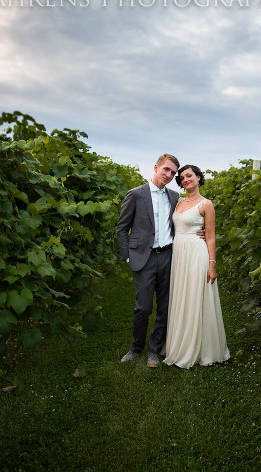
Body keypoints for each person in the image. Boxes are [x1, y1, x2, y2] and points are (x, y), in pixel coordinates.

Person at [116, 153, 180, 368]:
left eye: (173, 172)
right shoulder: (136, 194)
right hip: (143, 257)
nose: (169, 175)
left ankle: (154, 349)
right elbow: (122, 228)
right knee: (143, 307)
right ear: (156, 168)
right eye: (166, 170)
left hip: (168, 256)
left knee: (164, 306)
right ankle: (135, 348)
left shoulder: (174, 197)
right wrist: (127, 256)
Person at [163, 165, 230, 369]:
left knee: (194, 296)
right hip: (178, 253)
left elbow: (210, 236)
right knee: (180, 296)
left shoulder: (206, 204)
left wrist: (212, 265)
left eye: (189, 176)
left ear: (199, 177)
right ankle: (178, 343)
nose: (185, 180)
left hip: (196, 253)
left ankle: (200, 348)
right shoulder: (178, 202)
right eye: (182, 177)